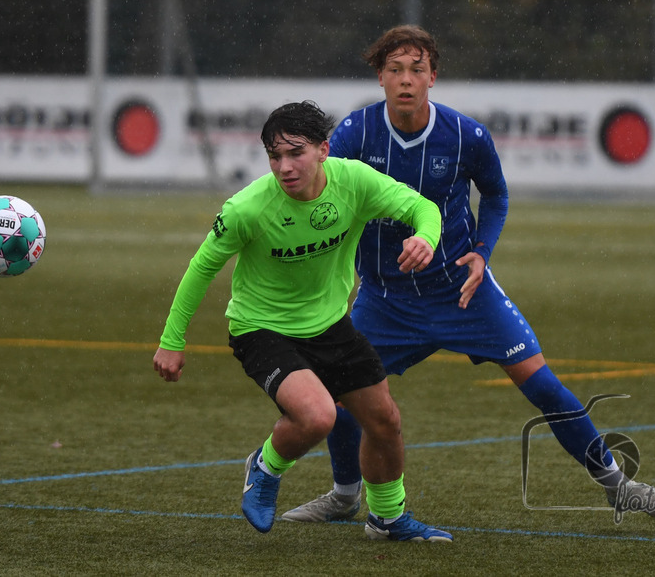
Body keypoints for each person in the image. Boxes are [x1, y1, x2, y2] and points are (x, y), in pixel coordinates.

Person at [281, 25, 655, 524]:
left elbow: (495, 194)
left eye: (417, 69)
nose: (406, 79)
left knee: (543, 385)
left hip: (463, 291)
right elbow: (328, 196)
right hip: (385, 299)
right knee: (339, 396)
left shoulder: (465, 135)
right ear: (380, 77)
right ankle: (345, 496)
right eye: (395, 69)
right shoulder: (354, 133)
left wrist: (481, 252)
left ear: (433, 77)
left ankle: (619, 486)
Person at [153, 100, 453, 542]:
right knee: (317, 416)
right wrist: (171, 340)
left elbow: (423, 209)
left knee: (385, 421)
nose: (285, 167)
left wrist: (425, 238)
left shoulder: (354, 182)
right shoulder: (246, 208)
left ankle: (387, 519)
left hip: (330, 326)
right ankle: (265, 467)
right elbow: (202, 267)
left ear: (323, 150)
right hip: (261, 329)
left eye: (296, 153)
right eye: (275, 156)